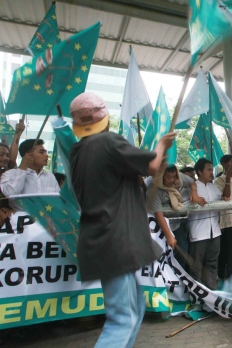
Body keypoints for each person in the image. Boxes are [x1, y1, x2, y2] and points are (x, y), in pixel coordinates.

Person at [69, 92, 176, 347]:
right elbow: (151, 166)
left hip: (102, 239)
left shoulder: (78, 151)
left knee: (135, 309)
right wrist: (160, 146)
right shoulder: (107, 141)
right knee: (122, 319)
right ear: (104, 118)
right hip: (114, 239)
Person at [147, 164, 196, 268]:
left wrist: (194, 193)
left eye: (174, 177)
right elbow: (158, 213)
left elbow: (191, 182)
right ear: (161, 176)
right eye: (168, 177)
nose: (172, 180)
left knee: (182, 249)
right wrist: (169, 235)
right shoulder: (153, 189)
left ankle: (179, 276)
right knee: (161, 253)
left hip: (176, 224)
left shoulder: (179, 177)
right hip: (157, 226)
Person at [187, 158, 222, 290]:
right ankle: (196, 296)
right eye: (208, 170)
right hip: (199, 233)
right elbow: (184, 204)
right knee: (196, 266)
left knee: (212, 264)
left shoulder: (214, 188)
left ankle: (212, 294)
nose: (211, 172)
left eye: (212, 170)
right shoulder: (191, 188)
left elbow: (221, 200)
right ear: (199, 172)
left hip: (215, 231)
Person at [1, 138, 60, 209]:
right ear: (28, 155)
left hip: (48, 218)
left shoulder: (50, 176)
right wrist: (23, 168)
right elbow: (11, 193)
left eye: (46, 152)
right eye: (41, 152)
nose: (46, 155)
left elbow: (58, 200)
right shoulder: (9, 174)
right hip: (21, 217)